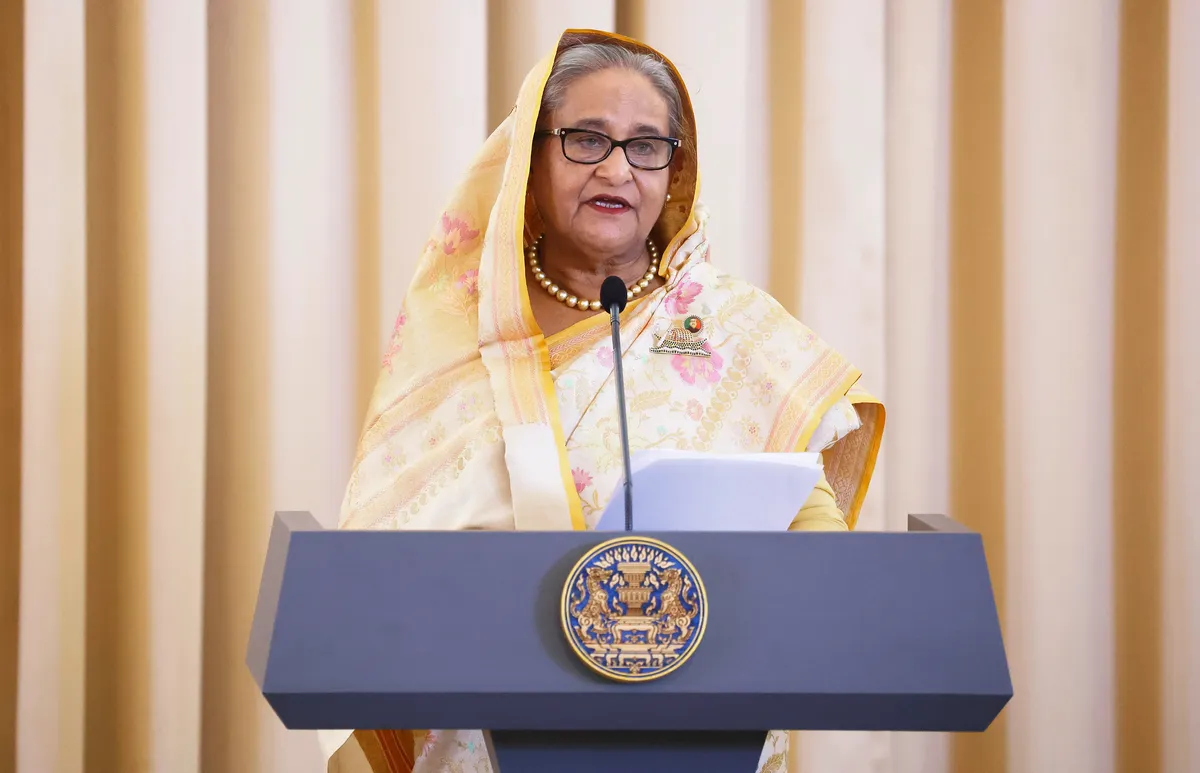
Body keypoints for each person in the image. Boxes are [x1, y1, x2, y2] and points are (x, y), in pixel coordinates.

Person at [322, 28, 884, 773]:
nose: (617, 168)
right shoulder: (456, 331)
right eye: (587, 139)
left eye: (647, 146)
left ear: (674, 172)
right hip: (489, 729)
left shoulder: (732, 328)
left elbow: (816, 543)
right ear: (532, 157)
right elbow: (388, 538)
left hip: (696, 727)